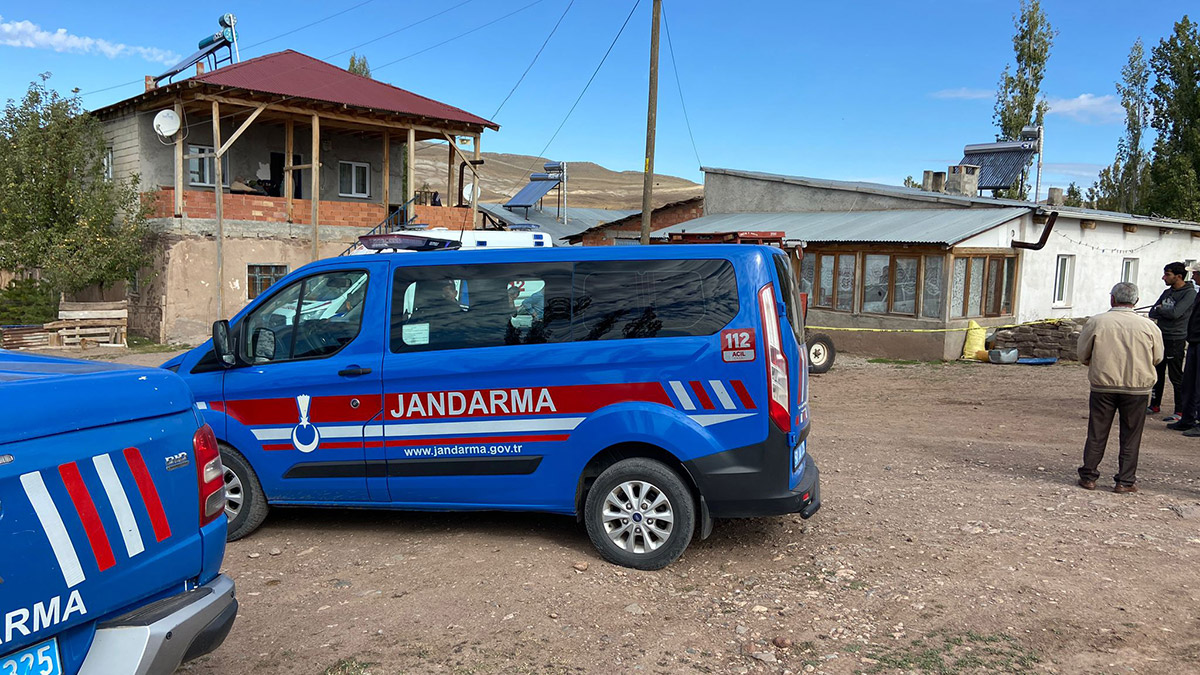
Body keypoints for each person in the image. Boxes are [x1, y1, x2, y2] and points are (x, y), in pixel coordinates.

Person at [1077, 282, 1163, 493]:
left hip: (1103, 385)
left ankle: (1089, 476)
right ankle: (1125, 480)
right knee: (1131, 435)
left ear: (1112, 299)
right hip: (1137, 387)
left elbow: (1082, 354)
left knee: (1097, 431)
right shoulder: (1149, 326)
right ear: (1136, 301)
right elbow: (1158, 357)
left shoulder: (1097, 322)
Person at [1147, 262, 1195, 420]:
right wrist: (1162, 310)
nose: (1163, 278)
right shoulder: (1167, 292)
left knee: (1176, 376)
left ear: (1178, 276)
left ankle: (1180, 411)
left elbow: (1176, 313)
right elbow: (1152, 312)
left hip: (1176, 339)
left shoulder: (1189, 294)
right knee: (1157, 373)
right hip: (1161, 337)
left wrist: (1161, 309)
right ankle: (1154, 405)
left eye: (1167, 274)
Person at [1170, 262, 1200, 435]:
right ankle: (1187, 419)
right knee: (1189, 383)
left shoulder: (1191, 293)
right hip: (1194, 341)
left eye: (1195, 273)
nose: (1193, 277)